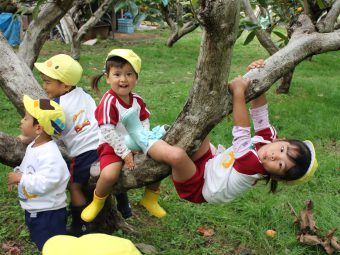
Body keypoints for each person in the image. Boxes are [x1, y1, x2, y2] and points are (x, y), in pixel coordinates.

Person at [120, 59, 319, 204]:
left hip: (199, 187)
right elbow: (260, 115)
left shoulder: (253, 166)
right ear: (281, 140)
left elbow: (241, 132)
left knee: (178, 156)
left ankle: (140, 137)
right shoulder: (268, 140)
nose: (275, 156)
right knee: (199, 130)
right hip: (211, 163)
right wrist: (258, 82)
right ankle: (148, 142)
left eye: (281, 164)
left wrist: (238, 93)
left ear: (275, 177)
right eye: (282, 149)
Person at [31, 54, 132, 236]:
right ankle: (125, 207)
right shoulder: (82, 93)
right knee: (112, 173)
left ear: (65, 86)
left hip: (83, 152)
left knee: (75, 186)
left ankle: (80, 227)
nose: (44, 86)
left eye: (47, 82)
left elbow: (50, 130)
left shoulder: (55, 107)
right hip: (105, 143)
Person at [81, 49, 167, 222]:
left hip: (136, 142)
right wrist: (125, 152)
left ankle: (150, 197)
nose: (123, 79)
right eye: (117, 74)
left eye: (129, 74)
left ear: (136, 78)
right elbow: (108, 131)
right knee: (109, 175)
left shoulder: (137, 100)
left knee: (160, 160)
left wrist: (141, 143)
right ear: (107, 77)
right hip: (112, 145)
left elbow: (144, 120)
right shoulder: (109, 101)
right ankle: (98, 201)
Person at [7, 95, 70, 251]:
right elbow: (30, 169)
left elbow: (47, 182)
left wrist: (21, 178)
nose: (22, 120)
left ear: (38, 128)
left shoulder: (50, 154)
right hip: (36, 210)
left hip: (48, 214)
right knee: (43, 243)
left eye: (26, 118)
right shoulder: (34, 145)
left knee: (53, 248)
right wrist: (18, 174)